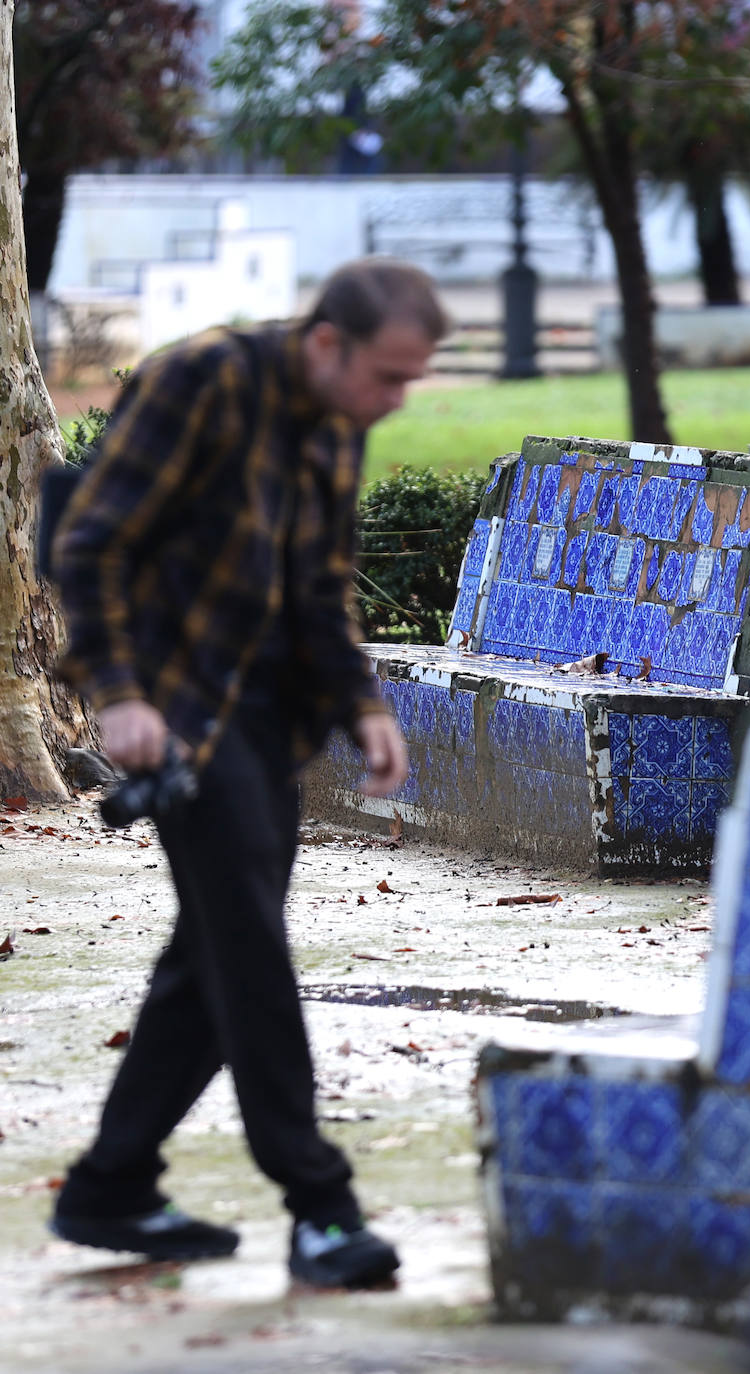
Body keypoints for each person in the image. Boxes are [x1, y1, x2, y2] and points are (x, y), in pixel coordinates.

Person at [48, 258, 448, 1289]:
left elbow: (320, 585)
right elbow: (89, 543)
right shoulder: (202, 379)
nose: (396, 400)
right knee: (253, 960)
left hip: (270, 724)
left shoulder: (335, 418)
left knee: (213, 956)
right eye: (388, 376)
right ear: (328, 342)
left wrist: (364, 707)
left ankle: (111, 1185)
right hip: (180, 713)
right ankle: (321, 1209)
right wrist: (119, 694)